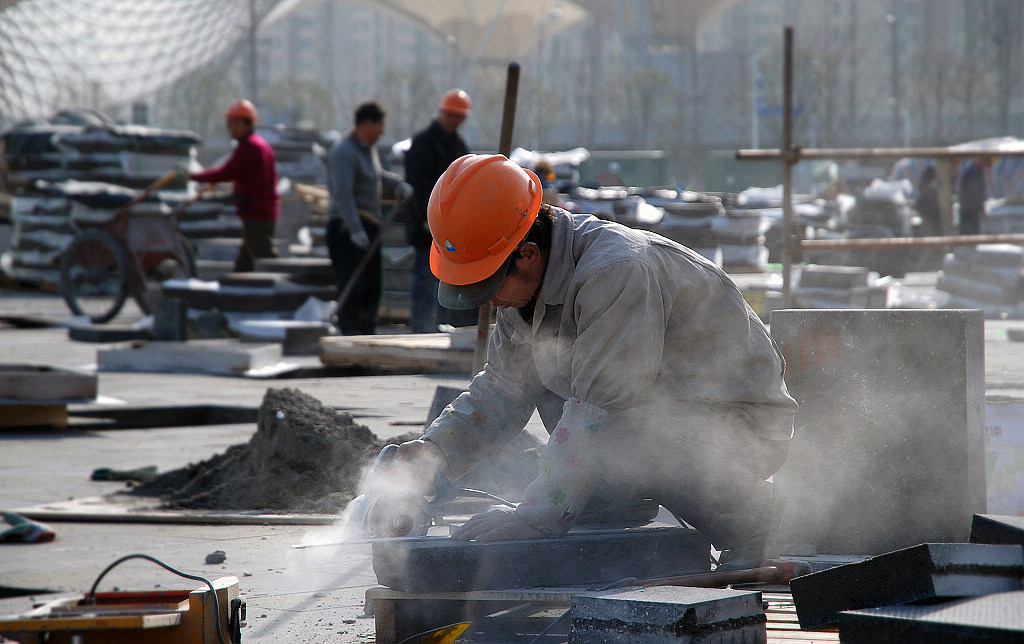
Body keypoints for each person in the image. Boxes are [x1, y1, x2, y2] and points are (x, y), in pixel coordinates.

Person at [394, 154, 798, 569]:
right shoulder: (527, 290)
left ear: (528, 255)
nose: (490, 301)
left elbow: (598, 411)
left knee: (610, 420)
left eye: (490, 285)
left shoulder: (615, 271)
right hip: (657, 409)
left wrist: (534, 518)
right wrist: (431, 456)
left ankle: (754, 521)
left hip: (741, 424)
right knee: (555, 378)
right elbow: (501, 391)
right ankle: (606, 502)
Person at [326, 100, 412, 335]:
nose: (382, 131)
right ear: (366, 124)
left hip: (369, 226)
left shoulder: (367, 150)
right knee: (354, 286)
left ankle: (366, 332)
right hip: (348, 227)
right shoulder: (344, 151)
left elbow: (375, 176)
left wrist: (398, 184)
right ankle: (351, 334)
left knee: (372, 286)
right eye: (379, 126)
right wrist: (355, 229)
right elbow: (343, 195)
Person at [403, 89, 475, 333]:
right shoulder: (423, 144)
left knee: (448, 279)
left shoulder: (459, 146)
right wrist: (427, 217)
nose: (454, 120)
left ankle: (442, 327)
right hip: (427, 228)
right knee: (425, 277)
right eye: (451, 115)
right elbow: (417, 184)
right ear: (443, 113)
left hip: (451, 229)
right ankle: (421, 329)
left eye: (459, 116)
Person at [182, 99, 279, 272]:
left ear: (248, 124)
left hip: (257, 213)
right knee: (245, 265)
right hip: (259, 212)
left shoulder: (250, 147)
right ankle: (238, 295)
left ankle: (288, 295)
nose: (231, 128)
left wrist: (192, 176)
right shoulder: (259, 145)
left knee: (266, 261)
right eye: (229, 124)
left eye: (236, 124)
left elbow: (226, 173)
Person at [957, 158, 986, 236]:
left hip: (968, 209)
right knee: (970, 234)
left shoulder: (973, 169)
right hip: (970, 211)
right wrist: (981, 208)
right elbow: (975, 192)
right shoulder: (974, 171)